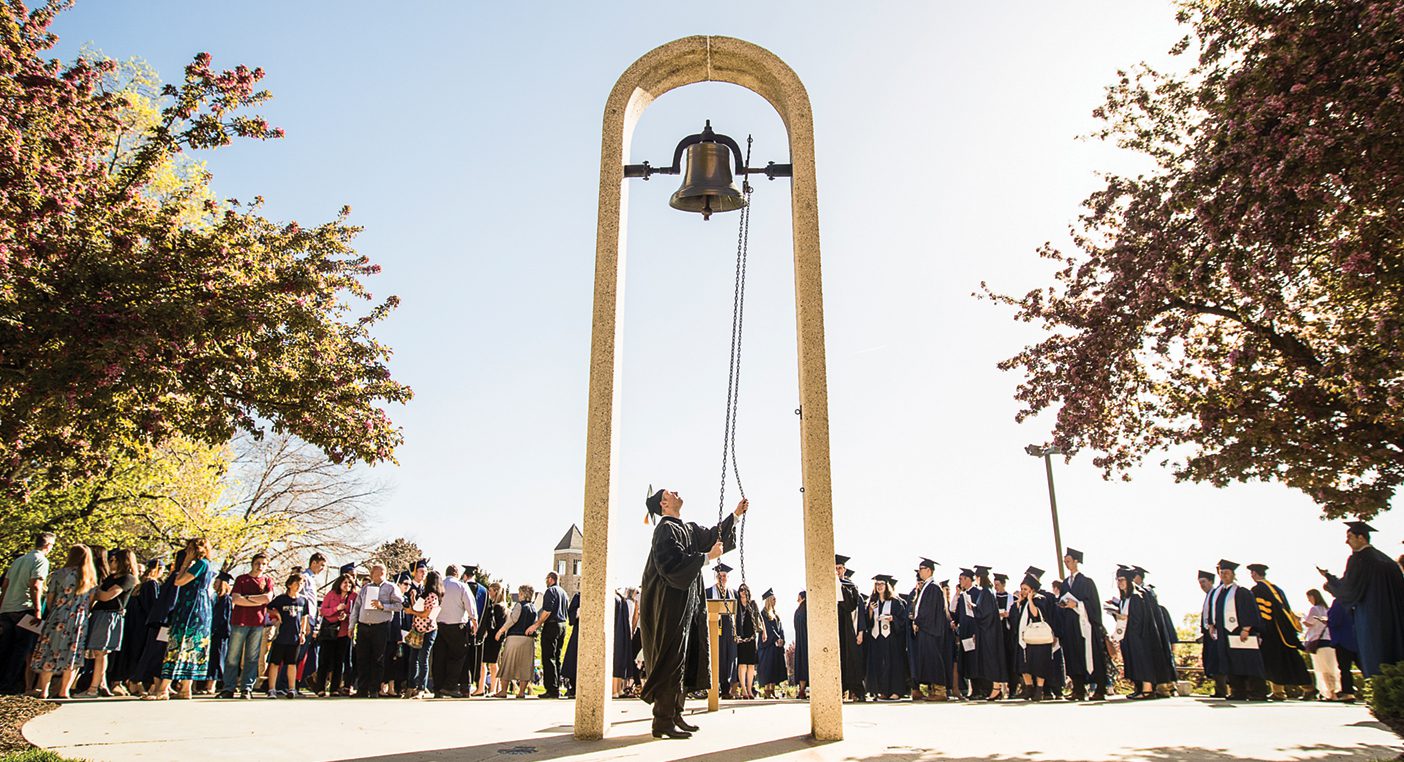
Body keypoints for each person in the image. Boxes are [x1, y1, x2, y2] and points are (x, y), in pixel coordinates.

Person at [637, 487, 744, 739]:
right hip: (670, 605)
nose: (677, 492)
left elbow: (711, 536)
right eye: (670, 492)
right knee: (671, 658)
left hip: (689, 605)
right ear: (664, 503)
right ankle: (662, 721)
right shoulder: (665, 530)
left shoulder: (686, 529)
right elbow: (670, 564)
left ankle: (675, 714)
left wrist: (736, 515)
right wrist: (707, 556)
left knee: (685, 658)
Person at [1320, 521, 1404, 677]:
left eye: (1350, 536)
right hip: (1394, 617)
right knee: (1394, 651)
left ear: (1361, 538)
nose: (1347, 541)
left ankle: (1377, 689)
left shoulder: (1359, 559)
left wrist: (1330, 581)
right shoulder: (1388, 561)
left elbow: (1348, 590)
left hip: (1371, 615)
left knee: (1375, 655)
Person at [147, 538, 215, 701]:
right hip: (199, 607)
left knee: (180, 643)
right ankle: (186, 688)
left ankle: (163, 689)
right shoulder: (207, 565)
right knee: (191, 646)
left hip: (192, 607)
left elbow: (179, 581)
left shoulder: (201, 564)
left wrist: (185, 563)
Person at [29, 545, 95, 699]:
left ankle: (44, 690)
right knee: (73, 652)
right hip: (78, 619)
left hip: (58, 615)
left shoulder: (59, 574)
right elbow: (90, 602)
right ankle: (64, 691)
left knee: (49, 650)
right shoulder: (90, 577)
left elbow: (50, 597)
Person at [1246, 563, 1312, 699]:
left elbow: (1260, 612)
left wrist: (1257, 629)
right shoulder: (1277, 589)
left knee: (1271, 661)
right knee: (1290, 659)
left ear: (1254, 574)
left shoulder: (1258, 589)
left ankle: (1279, 691)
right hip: (1284, 631)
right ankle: (1306, 688)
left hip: (1270, 632)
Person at [0, 532, 55, 695]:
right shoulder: (41, 560)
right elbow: (36, 585)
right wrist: (38, 610)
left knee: (5, 647)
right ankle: (9, 684)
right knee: (22, 648)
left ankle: (3, 680)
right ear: (47, 545)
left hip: (7, 608)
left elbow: (5, 584)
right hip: (25, 608)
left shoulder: (19, 560)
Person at [80, 549, 137, 698]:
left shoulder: (128, 578)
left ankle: (93, 688)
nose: (110, 562)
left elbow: (107, 596)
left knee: (101, 652)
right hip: (98, 614)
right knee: (98, 652)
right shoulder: (110, 577)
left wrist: (95, 592)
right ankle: (102, 684)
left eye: (113, 560)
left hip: (109, 615)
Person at [1114, 566, 1176, 699]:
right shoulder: (1126, 598)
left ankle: (1147, 690)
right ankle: (1140, 688)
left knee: (1143, 662)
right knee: (1135, 662)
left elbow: (1138, 620)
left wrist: (1125, 619)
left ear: (1130, 580)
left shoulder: (1137, 596)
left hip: (1140, 636)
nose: (1120, 583)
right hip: (1130, 636)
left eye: (1122, 579)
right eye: (1118, 580)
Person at [1209, 560, 1267, 701]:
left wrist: (1246, 629)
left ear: (1233, 574)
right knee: (1230, 662)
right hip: (1225, 634)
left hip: (1241, 633)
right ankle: (1237, 691)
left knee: (1249, 662)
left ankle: (1257, 692)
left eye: (1227, 573)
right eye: (1222, 573)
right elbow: (1214, 611)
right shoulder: (1219, 593)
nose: (1224, 575)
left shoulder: (1242, 592)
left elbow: (1250, 611)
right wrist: (1212, 625)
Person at [220, 552, 274, 699]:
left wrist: (248, 598)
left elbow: (267, 598)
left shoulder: (267, 580)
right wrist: (255, 600)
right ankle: (229, 687)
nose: (260, 566)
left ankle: (247, 688)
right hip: (240, 621)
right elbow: (236, 599)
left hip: (258, 622)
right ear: (252, 563)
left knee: (252, 657)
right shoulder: (242, 580)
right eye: (258, 563)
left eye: (263, 564)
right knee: (233, 656)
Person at [350, 562, 403, 698]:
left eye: (375, 571)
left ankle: (374, 689)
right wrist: (352, 625)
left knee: (377, 658)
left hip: (380, 626)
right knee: (362, 658)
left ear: (382, 573)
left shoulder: (391, 587)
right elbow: (356, 606)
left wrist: (383, 606)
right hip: (363, 626)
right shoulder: (366, 588)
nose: (372, 574)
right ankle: (362, 689)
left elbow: (399, 605)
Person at [1059, 548, 1106, 700]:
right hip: (1070, 625)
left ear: (1076, 561)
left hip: (1085, 625)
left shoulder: (1087, 582)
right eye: (1065, 562)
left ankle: (1099, 689)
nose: (1066, 564)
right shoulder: (1065, 583)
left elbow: (1093, 605)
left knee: (1092, 656)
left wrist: (1077, 605)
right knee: (1073, 656)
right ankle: (1078, 690)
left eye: (1068, 561)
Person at [955, 566, 1005, 701]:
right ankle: (993, 689)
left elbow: (986, 614)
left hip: (987, 633)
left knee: (990, 660)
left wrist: (974, 608)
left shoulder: (986, 592)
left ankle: (994, 689)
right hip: (982, 631)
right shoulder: (985, 592)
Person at [116, 559, 161, 696]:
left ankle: (132, 681)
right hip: (144, 625)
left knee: (132, 651)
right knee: (140, 652)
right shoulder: (151, 583)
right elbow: (152, 605)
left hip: (133, 623)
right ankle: (135, 682)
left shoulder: (140, 583)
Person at [430, 564, 475, 698]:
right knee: (458, 656)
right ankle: (450, 686)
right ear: (457, 573)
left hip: (439, 625)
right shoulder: (461, 586)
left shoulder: (439, 585)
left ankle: (437, 688)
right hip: (457, 626)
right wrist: (474, 620)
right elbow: (469, 605)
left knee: (439, 658)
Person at [908, 558, 950, 702]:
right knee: (928, 660)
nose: (919, 572)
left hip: (931, 629)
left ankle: (940, 690)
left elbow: (929, 610)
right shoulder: (927, 587)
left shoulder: (933, 587)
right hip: (926, 629)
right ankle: (933, 689)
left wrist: (918, 621)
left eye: (921, 569)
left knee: (934, 659)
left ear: (928, 570)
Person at [264, 574, 311, 698]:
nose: (299, 586)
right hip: (281, 636)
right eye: (296, 583)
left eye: (301, 584)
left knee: (292, 663)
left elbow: (304, 616)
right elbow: (268, 608)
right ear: (289, 584)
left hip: (294, 637)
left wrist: (302, 632)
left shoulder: (303, 600)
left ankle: (291, 688)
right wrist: (276, 614)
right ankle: (272, 689)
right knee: (275, 663)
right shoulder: (281, 599)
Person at [864, 575, 909, 701]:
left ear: (887, 585)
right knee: (878, 664)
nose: (879, 586)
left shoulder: (895, 601)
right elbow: (867, 621)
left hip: (891, 638)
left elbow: (902, 619)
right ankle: (882, 691)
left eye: (882, 584)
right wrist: (871, 611)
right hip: (876, 638)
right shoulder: (872, 601)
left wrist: (893, 618)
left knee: (893, 664)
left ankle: (895, 691)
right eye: (877, 584)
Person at [1016, 574, 1059, 701]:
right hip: (1028, 639)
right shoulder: (1022, 602)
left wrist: (1029, 600)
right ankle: (1029, 688)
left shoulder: (1040, 599)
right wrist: (1020, 603)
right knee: (1026, 664)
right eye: (1022, 589)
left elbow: (1036, 615)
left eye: (1025, 589)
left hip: (1040, 638)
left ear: (1032, 589)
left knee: (1040, 664)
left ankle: (1039, 690)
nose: (1023, 591)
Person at [314, 571, 356, 696]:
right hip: (329, 632)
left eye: (349, 583)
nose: (347, 585)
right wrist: (336, 609)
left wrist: (346, 616)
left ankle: (335, 688)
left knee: (339, 662)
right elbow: (323, 611)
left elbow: (355, 613)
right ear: (339, 583)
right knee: (324, 661)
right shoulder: (331, 594)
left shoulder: (354, 596)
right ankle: (320, 687)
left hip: (343, 632)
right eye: (344, 582)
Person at [527, 571, 568, 699]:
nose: (546, 581)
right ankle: (556, 687)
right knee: (557, 658)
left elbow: (547, 611)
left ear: (551, 579)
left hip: (551, 625)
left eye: (546, 579)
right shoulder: (564, 593)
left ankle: (551, 688)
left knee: (548, 657)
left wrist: (537, 624)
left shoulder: (551, 591)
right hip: (562, 625)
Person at [403, 569, 442, 699]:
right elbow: (417, 608)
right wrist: (413, 599)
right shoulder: (424, 594)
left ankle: (421, 688)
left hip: (427, 630)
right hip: (417, 629)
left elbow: (426, 613)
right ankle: (411, 685)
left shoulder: (433, 596)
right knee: (413, 658)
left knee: (422, 658)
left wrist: (411, 612)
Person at [494, 584, 538, 699]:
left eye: (519, 593)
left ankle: (503, 691)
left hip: (515, 638)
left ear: (522, 594)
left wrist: (501, 631)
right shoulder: (533, 608)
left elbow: (513, 619)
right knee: (525, 666)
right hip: (528, 640)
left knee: (508, 663)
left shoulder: (519, 605)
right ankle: (521, 692)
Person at [706, 562, 739, 699]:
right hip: (715, 629)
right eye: (720, 576)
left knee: (729, 659)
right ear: (716, 577)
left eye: (724, 576)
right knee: (717, 658)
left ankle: (726, 688)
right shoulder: (708, 592)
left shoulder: (733, 593)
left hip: (729, 631)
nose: (722, 578)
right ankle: (715, 687)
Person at [1303, 588, 1338, 700]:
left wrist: (1301, 619)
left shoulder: (1315, 609)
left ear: (1313, 597)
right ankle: (1334, 692)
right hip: (1330, 641)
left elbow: (1308, 623)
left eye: (1309, 598)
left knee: (1322, 669)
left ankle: (1330, 693)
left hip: (1318, 642)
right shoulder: (1327, 609)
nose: (1309, 600)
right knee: (1332, 668)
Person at [461, 565, 490, 696]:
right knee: (476, 660)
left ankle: (463, 686)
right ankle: (477, 685)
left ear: (465, 576)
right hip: (479, 633)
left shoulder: (461, 587)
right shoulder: (484, 591)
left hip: (462, 630)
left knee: (462, 657)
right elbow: (489, 614)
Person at [202, 570, 233, 695]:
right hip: (212, 631)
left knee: (217, 658)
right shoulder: (215, 597)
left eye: (217, 581)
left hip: (220, 633)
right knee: (210, 658)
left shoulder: (226, 599)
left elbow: (224, 618)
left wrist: (216, 629)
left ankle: (212, 685)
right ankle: (206, 684)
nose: (214, 584)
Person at [732, 583, 764, 699]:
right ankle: (744, 690)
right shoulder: (736, 605)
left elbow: (759, 618)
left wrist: (763, 632)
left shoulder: (753, 604)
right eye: (741, 590)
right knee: (742, 664)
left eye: (745, 590)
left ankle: (750, 689)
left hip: (751, 637)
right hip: (741, 637)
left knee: (751, 665)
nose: (742, 592)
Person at [1327, 590, 1359, 702]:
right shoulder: (1354, 601)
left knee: (1344, 668)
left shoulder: (1338, 603)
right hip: (1356, 639)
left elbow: (1335, 620)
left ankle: (1348, 693)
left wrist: (1327, 621)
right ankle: (1374, 688)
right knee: (1362, 665)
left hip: (1342, 640)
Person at [757, 588, 786, 698]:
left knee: (774, 668)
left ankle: (772, 690)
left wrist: (781, 639)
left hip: (776, 646)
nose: (775, 601)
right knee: (767, 668)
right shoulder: (763, 614)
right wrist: (775, 639)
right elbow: (767, 629)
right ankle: (767, 690)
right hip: (767, 646)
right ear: (769, 600)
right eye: (773, 599)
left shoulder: (776, 614)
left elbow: (780, 628)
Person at [481, 582, 508, 697]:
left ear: (496, 591)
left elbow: (495, 623)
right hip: (496, 637)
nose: (489, 593)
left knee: (491, 663)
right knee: (492, 662)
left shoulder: (497, 607)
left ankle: (491, 687)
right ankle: (493, 687)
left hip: (493, 637)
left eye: (490, 590)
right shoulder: (502, 606)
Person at [612, 587, 638, 698]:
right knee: (620, 662)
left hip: (619, 631)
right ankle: (618, 690)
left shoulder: (621, 601)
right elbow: (635, 618)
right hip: (627, 631)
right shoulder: (630, 603)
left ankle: (614, 690)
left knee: (615, 661)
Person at [792, 590, 809, 700]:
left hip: (800, 641)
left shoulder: (798, 611)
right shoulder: (808, 609)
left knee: (801, 664)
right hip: (807, 641)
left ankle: (801, 689)